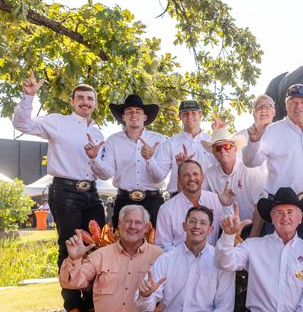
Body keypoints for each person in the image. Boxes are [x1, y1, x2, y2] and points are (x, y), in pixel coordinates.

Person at [13, 70, 105, 312]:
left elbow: (102, 168)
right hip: (66, 191)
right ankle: (73, 306)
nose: (86, 102)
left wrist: (96, 158)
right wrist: (28, 97)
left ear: (95, 104)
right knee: (70, 247)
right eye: (81, 98)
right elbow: (23, 124)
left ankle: (93, 303)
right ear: (73, 102)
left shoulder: (98, 133)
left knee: (99, 246)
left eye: (90, 99)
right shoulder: (57, 122)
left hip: (92, 192)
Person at [242, 84, 303, 249]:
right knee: (277, 255)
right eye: (293, 102)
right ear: (286, 105)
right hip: (280, 207)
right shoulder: (272, 131)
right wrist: (254, 142)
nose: (298, 106)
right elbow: (251, 162)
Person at [92, 94, 166, 228]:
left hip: (153, 200)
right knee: (121, 245)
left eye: (138, 111)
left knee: (156, 245)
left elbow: (159, 177)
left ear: (145, 117)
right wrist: (94, 158)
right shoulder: (113, 141)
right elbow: (106, 174)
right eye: (129, 111)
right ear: (123, 117)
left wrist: (150, 159)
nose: (134, 115)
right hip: (124, 200)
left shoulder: (159, 140)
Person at [202, 129, 265, 238]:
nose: (222, 151)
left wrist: (252, 237)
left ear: (235, 149)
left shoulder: (249, 170)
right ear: (214, 153)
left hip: (251, 228)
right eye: (218, 148)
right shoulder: (209, 174)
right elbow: (202, 203)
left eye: (226, 146)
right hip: (225, 231)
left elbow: (260, 206)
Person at [148, 100, 215, 196]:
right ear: (180, 116)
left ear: (200, 115)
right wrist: (150, 159)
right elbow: (158, 177)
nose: (190, 116)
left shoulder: (212, 142)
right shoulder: (170, 143)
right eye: (185, 114)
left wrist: (220, 132)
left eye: (193, 113)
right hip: (178, 196)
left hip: (207, 196)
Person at [155, 159, 224, 251]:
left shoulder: (216, 200)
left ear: (202, 177)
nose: (191, 178)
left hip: (211, 260)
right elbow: (162, 245)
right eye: (186, 175)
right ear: (179, 179)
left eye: (195, 174)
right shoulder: (166, 209)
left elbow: (229, 229)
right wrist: (185, 258)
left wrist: (227, 206)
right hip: (178, 261)